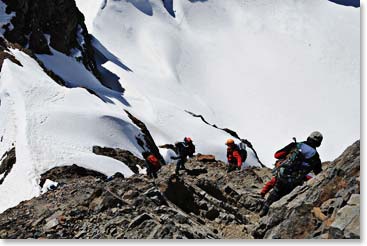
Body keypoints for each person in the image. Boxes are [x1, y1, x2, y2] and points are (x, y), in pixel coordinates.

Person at [259, 131, 323, 216]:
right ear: (319, 143)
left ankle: (264, 210)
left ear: (309, 137)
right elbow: (319, 173)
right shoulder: (316, 157)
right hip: (295, 181)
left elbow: (277, 155)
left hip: (283, 175)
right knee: (284, 198)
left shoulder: (296, 145)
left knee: (276, 191)